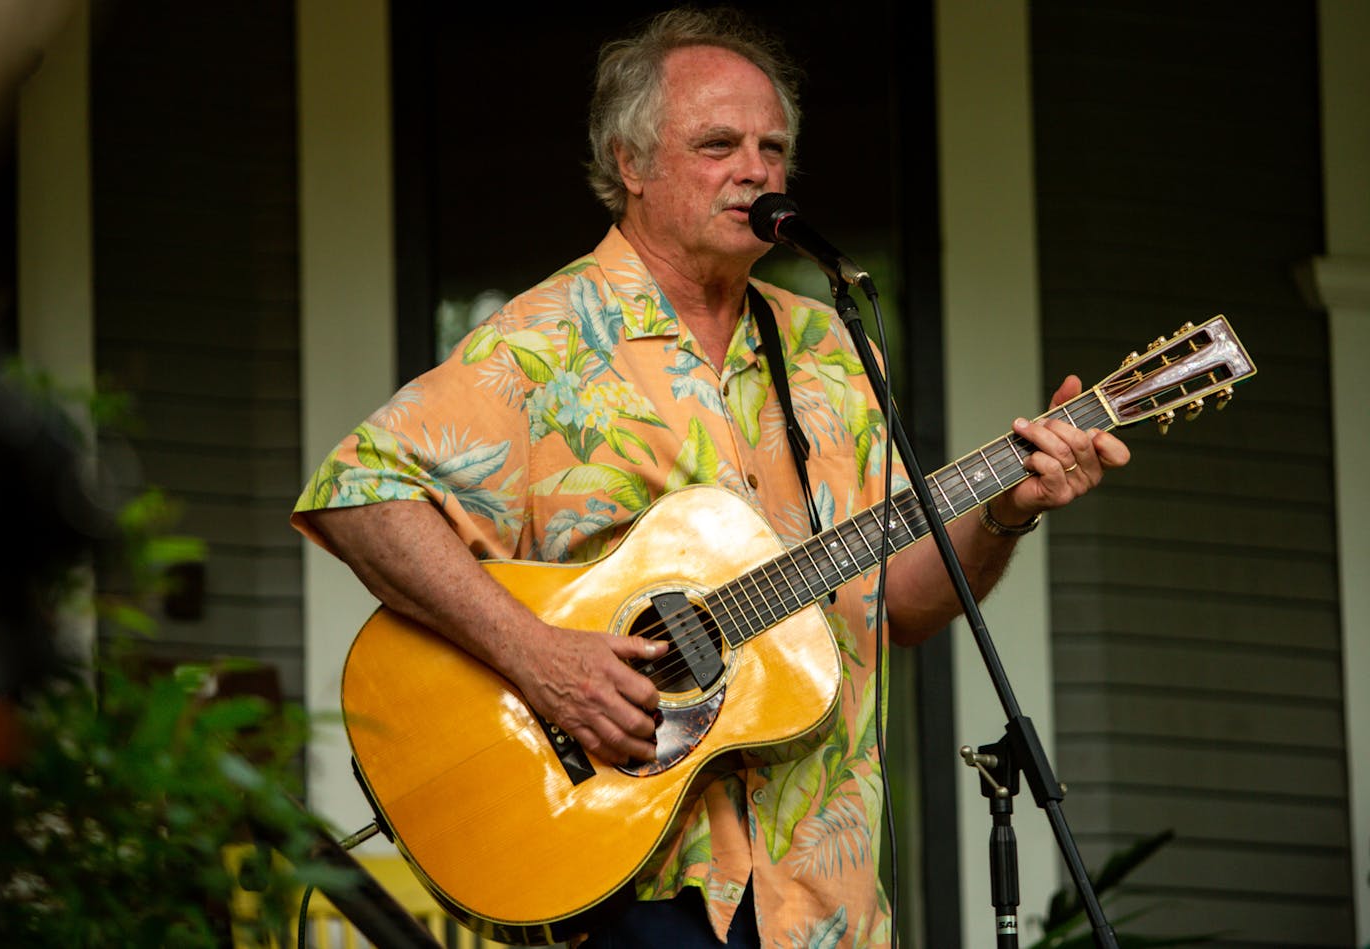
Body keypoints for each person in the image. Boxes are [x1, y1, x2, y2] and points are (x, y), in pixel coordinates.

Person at [292, 7, 1130, 947]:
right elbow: (360, 494)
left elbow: (899, 601)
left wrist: (1007, 511)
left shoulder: (827, 350)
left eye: (774, 149)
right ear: (630, 164)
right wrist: (543, 659)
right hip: (636, 878)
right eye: (718, 143)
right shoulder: (547, 340)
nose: (758, 171)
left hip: (826, 894)